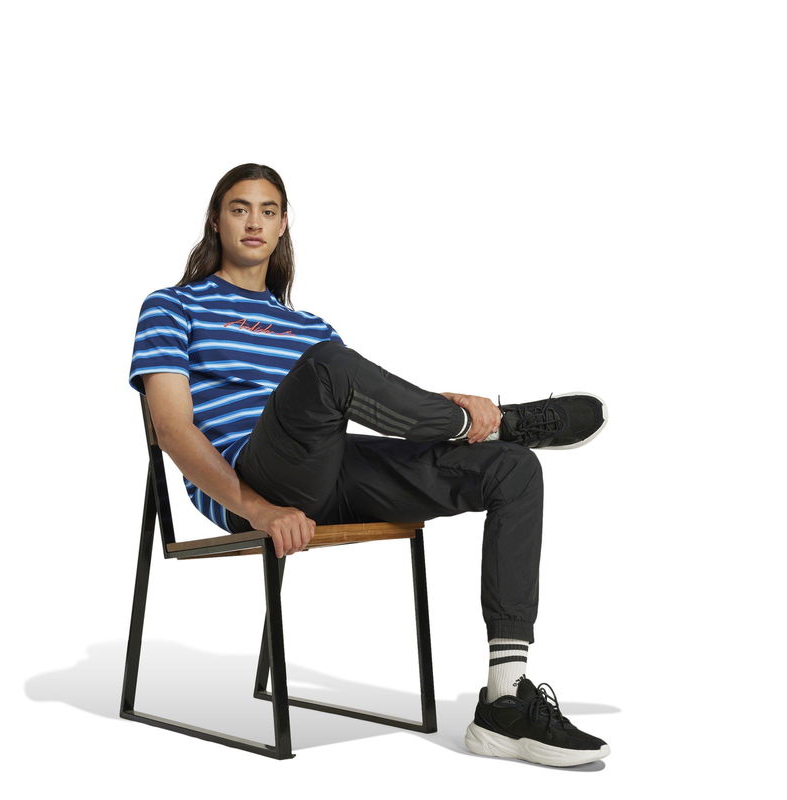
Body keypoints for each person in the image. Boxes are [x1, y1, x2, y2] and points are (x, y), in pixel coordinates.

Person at [129, 163, 611, 767]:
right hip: (251, 479)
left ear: (283, 226)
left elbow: (368, 402)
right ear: (216, 220)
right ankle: (488, 420)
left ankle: (504, 700)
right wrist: (258, 510)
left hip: (325, 471)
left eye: (268, 210)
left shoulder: (309, 327)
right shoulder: (172, 306)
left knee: (512, 469)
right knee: (332, 365)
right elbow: (173, 430)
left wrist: (441, 411)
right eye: (239, 208)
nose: (254, 221)